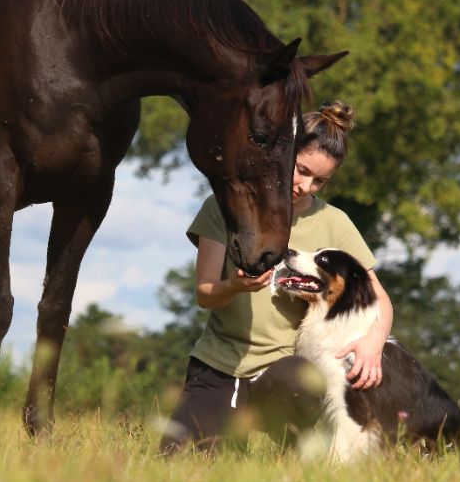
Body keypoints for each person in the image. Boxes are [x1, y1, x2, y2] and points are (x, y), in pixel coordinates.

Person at [159, 100, 393, 455]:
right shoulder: (224, 206)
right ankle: (230, 439)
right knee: (178, 462)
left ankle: (291, 451)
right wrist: (235, 286)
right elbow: (205, 293)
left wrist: (374, 343)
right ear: (284, 152)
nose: (306, 185)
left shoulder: (334, 223)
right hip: (220, 363)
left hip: (286, 369)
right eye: (301, 170)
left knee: (297, 380)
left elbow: (379, 298)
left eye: (320, 180)